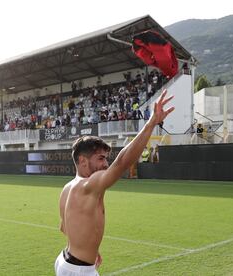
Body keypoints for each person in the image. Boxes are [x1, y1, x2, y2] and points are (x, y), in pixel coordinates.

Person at [55, 90, 174, 276]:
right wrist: (151, 123)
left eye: (106, 158)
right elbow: (122, 163)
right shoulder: (89, 184)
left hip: (66, 260)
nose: (105, 164)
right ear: (83, 161)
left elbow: (65, 227)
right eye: (100, 158)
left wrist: (91, 249)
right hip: (79, 271)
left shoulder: (67, 188)